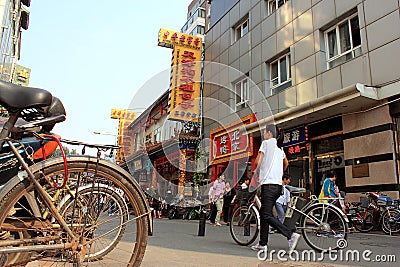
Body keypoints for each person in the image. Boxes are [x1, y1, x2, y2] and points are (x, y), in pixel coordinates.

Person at [251, 124, 300, 253]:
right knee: (264, 214)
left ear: (269, 133)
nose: (264, 135)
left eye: (265, 133)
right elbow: (286, 163)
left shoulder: (266, 143)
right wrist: (279, 173)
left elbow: (257, 162)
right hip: (278, 186)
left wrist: (256, 172)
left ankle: (290, 235)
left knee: (266, 214)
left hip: (268, 185)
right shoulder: (279, 148)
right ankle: (262, 243)